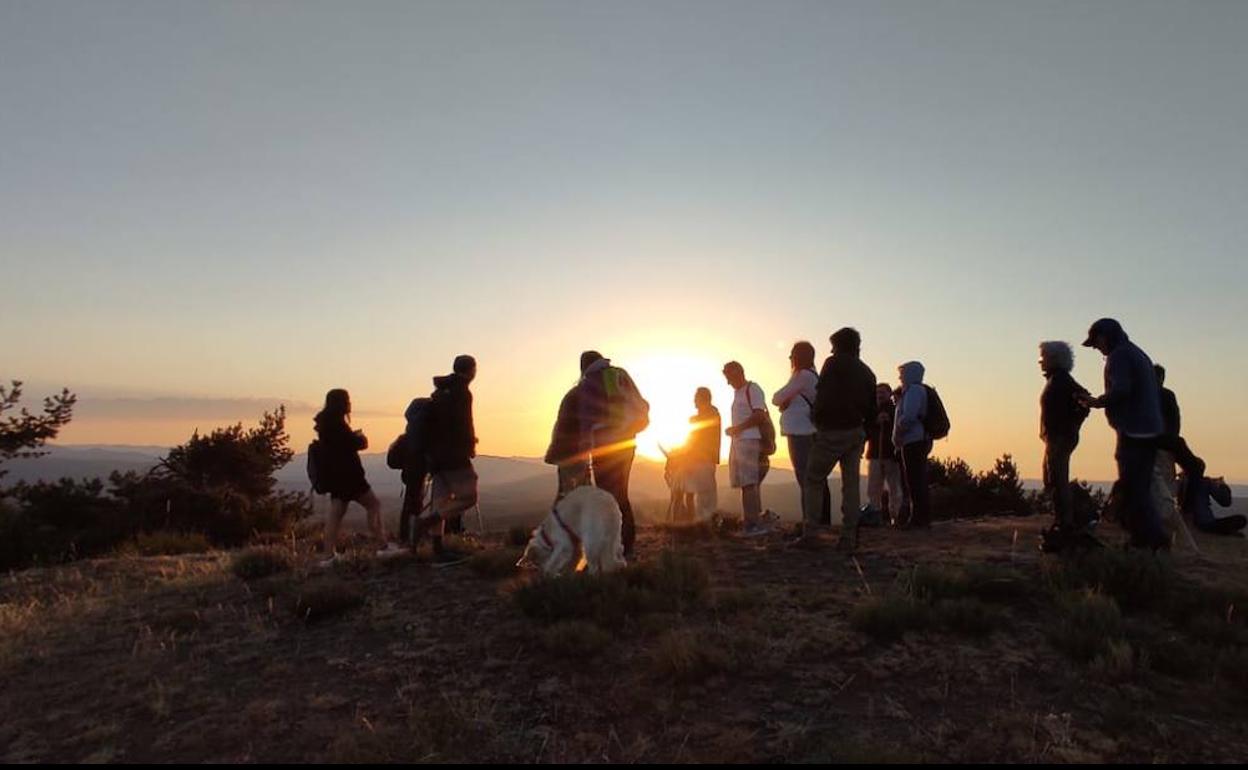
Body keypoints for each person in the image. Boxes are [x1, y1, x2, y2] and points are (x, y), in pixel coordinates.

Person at [1079, 318, 1168, 550]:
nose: (1097, 349)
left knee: (1133, 488)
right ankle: (1147, 538)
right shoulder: (1137, 353)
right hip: (1149, 430)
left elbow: (1122, 390)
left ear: (1104, 336)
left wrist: (1096, 402)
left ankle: (1150, 540)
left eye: (1096, 343)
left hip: (1133, 431)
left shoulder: (1119, 356)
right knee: (1139, 487)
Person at [795, 327, 877, 550]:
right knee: (850, 485)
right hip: (856, 432)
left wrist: (818, 422)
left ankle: (811, 533)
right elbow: (872, 411)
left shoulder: (833, 364)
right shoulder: (868, 373)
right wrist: (864, 436)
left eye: (833, 346)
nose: (831, 350)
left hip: (832, 431)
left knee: (813, 478)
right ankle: (849, 538)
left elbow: (823, 397)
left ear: (838, 346)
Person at [314, 389, 401, 566]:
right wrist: (359, 438)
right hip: (350, 476)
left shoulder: (325, 425)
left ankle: (328, 555)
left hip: (336, 477)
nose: (350, 404)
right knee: (373, 505)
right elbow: (353, 445)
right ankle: (382, 545)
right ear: (342, 403)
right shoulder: (338, 425)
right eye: (348, 400)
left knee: (335, 515)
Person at [576, 351, 649, 557]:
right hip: (626, 444)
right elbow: (642, 405)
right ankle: (627, 544)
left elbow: (586, 421)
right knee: (621, 494)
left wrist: (583, 454)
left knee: (606, 495)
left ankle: (612, 545)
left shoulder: (588, 383)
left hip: (603, 446)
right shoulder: (620, 375)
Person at [408, 355, 479, 564]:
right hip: (454, 455)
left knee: (441, 499)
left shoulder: (440, 391)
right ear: (471, 370)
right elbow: (463, 423)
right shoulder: (462, 393)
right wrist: (470, 445)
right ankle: (425, 523)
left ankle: (438, 549)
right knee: (469, 496)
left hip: (435, 457)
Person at [1038, 341, 1092, 551]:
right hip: (1056, 437)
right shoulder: (1057, 380)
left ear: (1054, 359)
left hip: (1060, 437)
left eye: (1043, 357)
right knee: (1053, 478)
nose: (1041, 362)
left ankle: (1065, 523)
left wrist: (1071, 424)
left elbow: (1084, 400)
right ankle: (1064, 521)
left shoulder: (1061, 381)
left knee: (1057, 478)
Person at [773, 341, 831, 526]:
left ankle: (811, 520)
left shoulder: (803, 375)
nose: (790, 359)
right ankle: (819, 519)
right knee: (814, 477)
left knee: (805, 477)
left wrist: (786, 402)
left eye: (792, 355)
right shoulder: (812, 376)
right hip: (809, 431)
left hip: (802, 433)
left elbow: (777, 398)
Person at [723, 361, 774, 536]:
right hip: (740, 441)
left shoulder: (752, 389)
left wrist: (737, 429)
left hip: (749, 440)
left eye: (730, 376)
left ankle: (753, 524)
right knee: (748, 483)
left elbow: (759, 415)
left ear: (739, 372)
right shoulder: (739, 392)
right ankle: (754, 520)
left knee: (749, 483)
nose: (729, 381)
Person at [894, 361, 932, 530]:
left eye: (902, 373)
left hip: (913, 440)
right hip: (917, 439)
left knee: (914, 480)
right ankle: (920, 517)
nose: (900, 377)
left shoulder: (914, 391)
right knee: (916, 479)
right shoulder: (916, 390)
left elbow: (909, 416)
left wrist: (899, 431)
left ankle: (918, 518)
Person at [865, 383, 905, 526]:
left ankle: (896, 517)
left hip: (891, 455)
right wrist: (875, 422)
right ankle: (875, 517)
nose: (880, 395)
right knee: (874, 488)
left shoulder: (896, 410)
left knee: (894, 487)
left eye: (882, 392)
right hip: (875, 455)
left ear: (889, 394)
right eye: (877, 393)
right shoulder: (871, 412)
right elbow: (865, 431)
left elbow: (901, 429)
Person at [683, 387, 721, 520]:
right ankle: (703, 523)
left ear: (702, 399)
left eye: (696, 398)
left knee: (704, 494)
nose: (694, 401)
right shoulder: (712, 413)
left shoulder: (708, 414)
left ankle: (704, 524)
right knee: (704, 493)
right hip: (704, 459)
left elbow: (695, 438)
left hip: (702, 459)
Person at [545, 384, 587, 500]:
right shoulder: (585, 395)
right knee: (575, 494)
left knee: (566, 493)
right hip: (574, 453)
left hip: (566, 452)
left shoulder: (574, 394)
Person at [1178, 474, 1245, 536]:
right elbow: (1226, 502)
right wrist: (1222, 485)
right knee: (1241, 519)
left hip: (1191, 521)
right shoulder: (1204, 482)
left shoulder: (1183, 482)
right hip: (1205, 523)